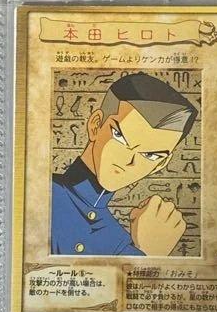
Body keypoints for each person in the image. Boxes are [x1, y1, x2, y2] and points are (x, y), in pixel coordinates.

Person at [50, 72, 196, 256]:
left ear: (161, 164)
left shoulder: (121, 239)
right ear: (95, 125)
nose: (130, 161)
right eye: (121, 137)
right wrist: (151, 252)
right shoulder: (42, 194)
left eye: (150, 155)